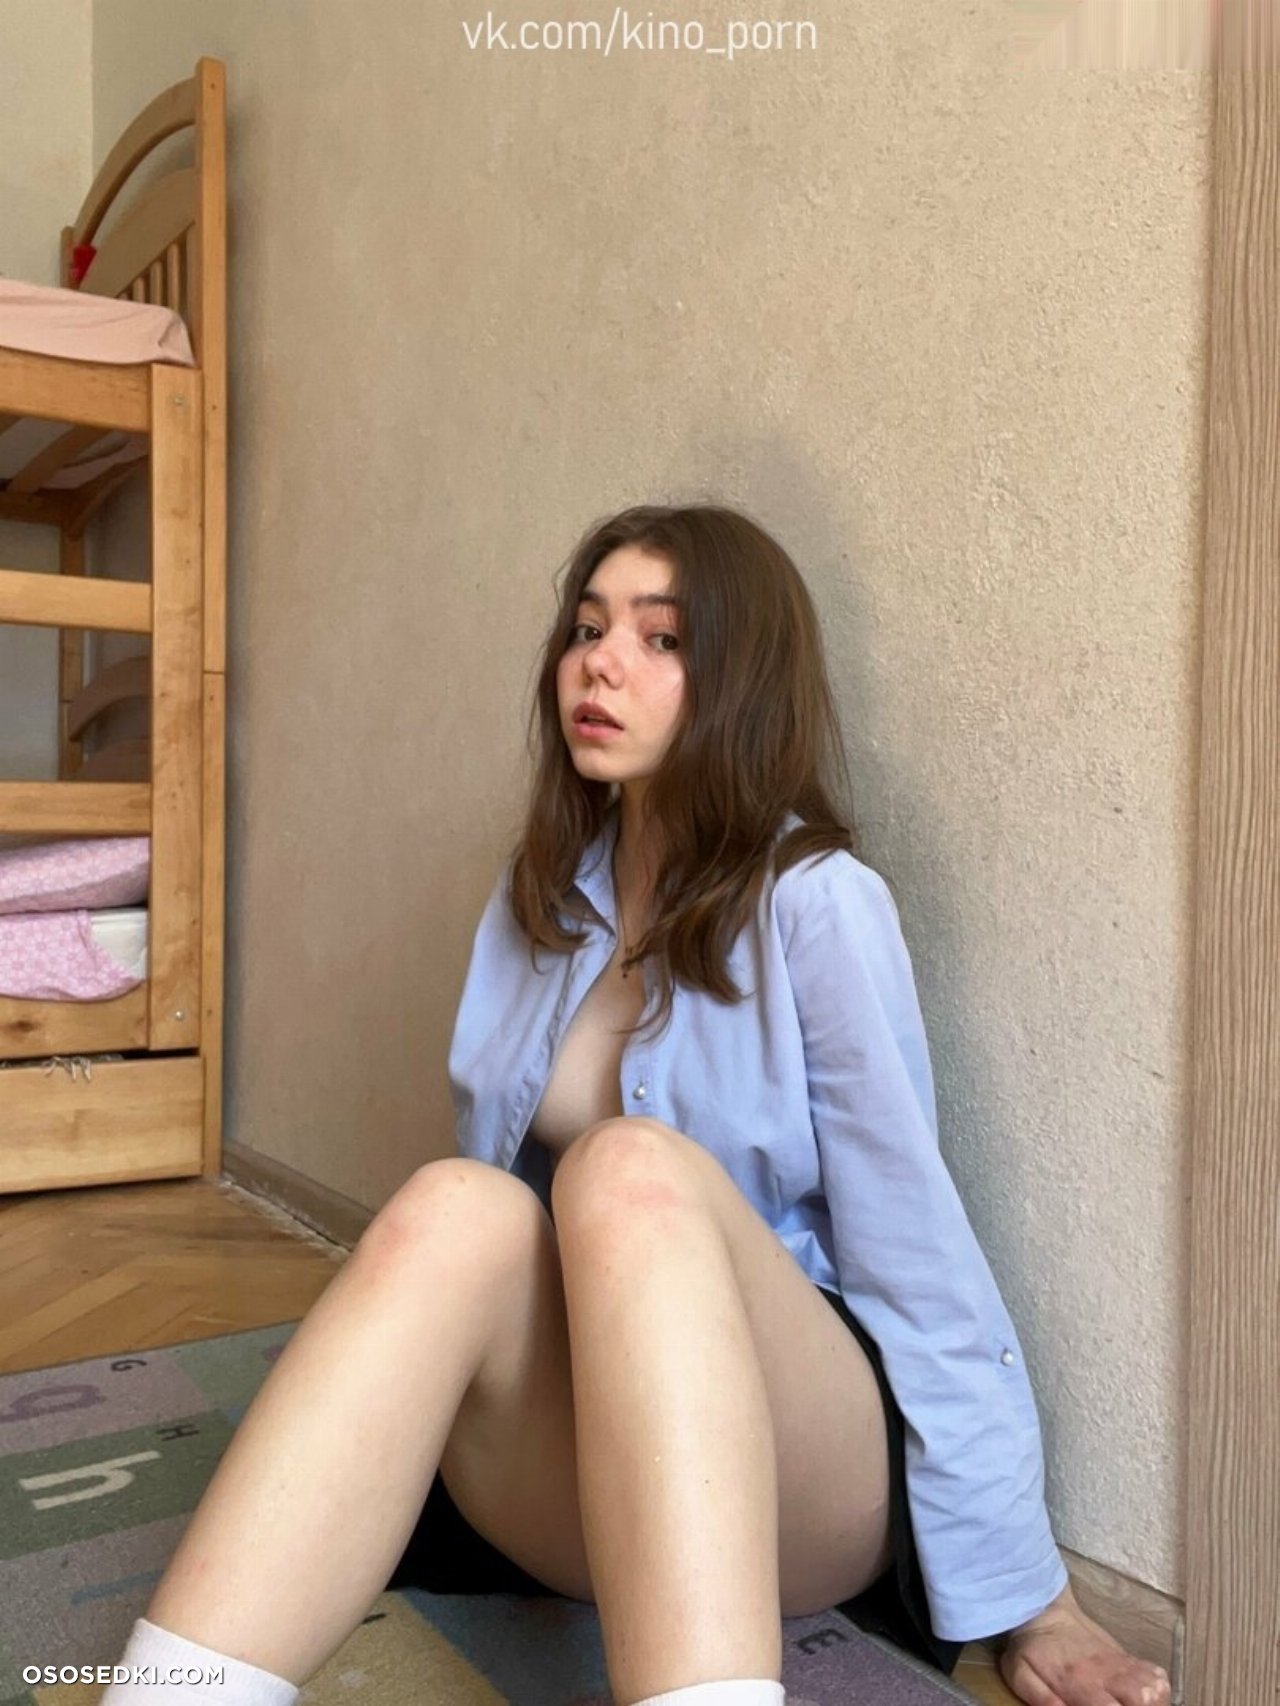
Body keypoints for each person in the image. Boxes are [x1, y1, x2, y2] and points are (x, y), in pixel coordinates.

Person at [103, 504, 1172, 1706]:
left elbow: (914, 1250)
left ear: (740, 681)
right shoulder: (537, 901)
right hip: (594, 1456)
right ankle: (168, 1693)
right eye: (585, 628)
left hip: (799, 1466)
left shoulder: (818, 901)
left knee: (624, 1166)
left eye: (660, 639)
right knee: (454, 1200)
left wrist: (1033, 1596)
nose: (599, 664)